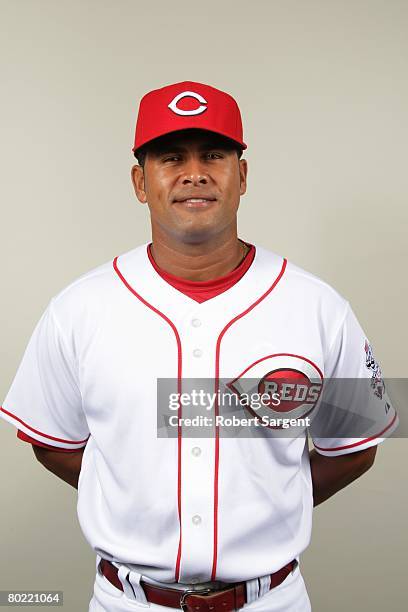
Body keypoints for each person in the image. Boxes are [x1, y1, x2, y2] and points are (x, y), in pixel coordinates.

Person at [1, 80, 398, 612]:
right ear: (141, 182)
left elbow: (356, 448)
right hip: (127, 602)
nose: (194, 173)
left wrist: (267, 503)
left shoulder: (319, 306)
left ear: (243, 176)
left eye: (214, 154)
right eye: (171, 157)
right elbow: (51, 440)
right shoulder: (79, 308)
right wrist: (132, 494)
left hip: (271, 601)